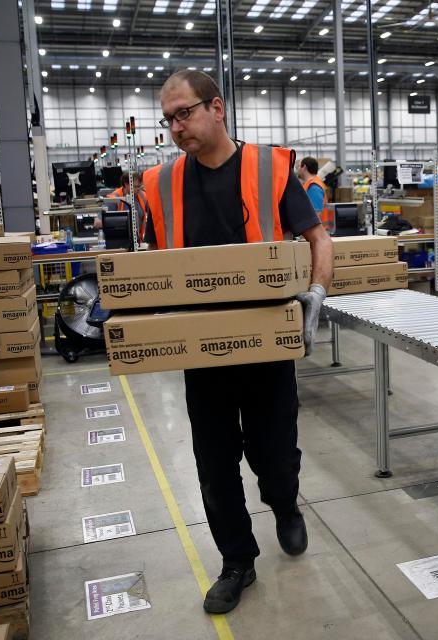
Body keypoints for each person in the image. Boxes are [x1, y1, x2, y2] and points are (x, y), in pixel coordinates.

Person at [140, 70, 333, 614]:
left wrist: (316, 294)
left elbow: (318, 237)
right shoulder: (160, 183)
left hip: (267, 347)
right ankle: (237, 561)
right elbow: (155, 266)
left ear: (217, 107)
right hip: (202, 350)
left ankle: (285, 504)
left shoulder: (270, 169)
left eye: (185, 113)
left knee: (274, 455)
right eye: (169, 118)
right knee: (214, 461)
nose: (177, 127)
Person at [94, 171, 147, 244]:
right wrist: (119, 224)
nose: (138, 189)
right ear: (126, 184)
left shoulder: (140, 195)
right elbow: (97, 223)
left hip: (139, 242)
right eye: (135, 186)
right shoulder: (114, 199)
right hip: (119, 243)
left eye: (139, 186)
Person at [297, 157, 334, 234]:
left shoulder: (313, 187)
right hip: (316, 232)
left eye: (299, 166)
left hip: (317, 233)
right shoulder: (310, 184)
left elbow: (316, 214)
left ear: (304, 167)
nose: (298, 169)